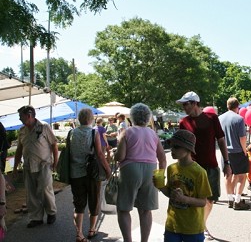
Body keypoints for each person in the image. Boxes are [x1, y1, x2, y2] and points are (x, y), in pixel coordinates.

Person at [177, 91, 231, 240]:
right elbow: (181, 146)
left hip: (210, 166)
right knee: (192, 199)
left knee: (209, 200)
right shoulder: (183, 122)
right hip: (191, 168)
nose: (183, 107)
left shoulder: (211, 118)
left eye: (185, 104)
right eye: (182, 105)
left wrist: (227, 163)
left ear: (195, 103)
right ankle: (197, 227)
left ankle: (201, 224)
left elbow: (221, 140)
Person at [114, 103, 167, 242]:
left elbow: (120, 157)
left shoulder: (127, 132)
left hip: (130, 169)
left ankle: (128, 240)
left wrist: (115, 154)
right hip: (151, 170)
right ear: (148, 117)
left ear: (132, 117)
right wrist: (160, 178)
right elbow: (162, 158)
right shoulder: (153, 133)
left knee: (124, 208)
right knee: (145, 210)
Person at [157, 130, 212, 242]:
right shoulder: (171, 168)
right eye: (171, 146)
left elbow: (203, 202)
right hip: (173, 225)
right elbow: (171, 194)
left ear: (188, 149)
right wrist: (161, 186)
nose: (172, 150)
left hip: (192, 227)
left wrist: (184, 199)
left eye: (176, 147)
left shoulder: (199, 172)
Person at [12, 105, 58, 228]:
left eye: (21, 116)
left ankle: (51, 212)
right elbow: (19, 149)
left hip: (44, 164)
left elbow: (54, 145)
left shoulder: (44, 127)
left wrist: (55, 162)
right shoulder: (22, 130)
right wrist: (15, 167)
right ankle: (36, 217)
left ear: (29, 115)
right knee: (31, 192)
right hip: (28, 165)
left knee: (44, 189)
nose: (19, 119)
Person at [69, 108, 111, 242]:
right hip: (92, 174)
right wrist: (108, 169)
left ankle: (79, 233)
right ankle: (92, 229)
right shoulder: (94, 132)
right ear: (91, 119)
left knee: (78, 204)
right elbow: (99, 154)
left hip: (75, 173)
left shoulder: (71, 132)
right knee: (94, 201)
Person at [218, 97, 250, 210]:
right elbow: (242, 138)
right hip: (237, 151)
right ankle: (237, 201)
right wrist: (245, 150)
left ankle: (230, 199)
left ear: (227, 106)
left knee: (228, 176)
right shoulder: (239, 119)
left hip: (225, 151)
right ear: (237, 106)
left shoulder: (220, 118)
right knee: (242, 176)